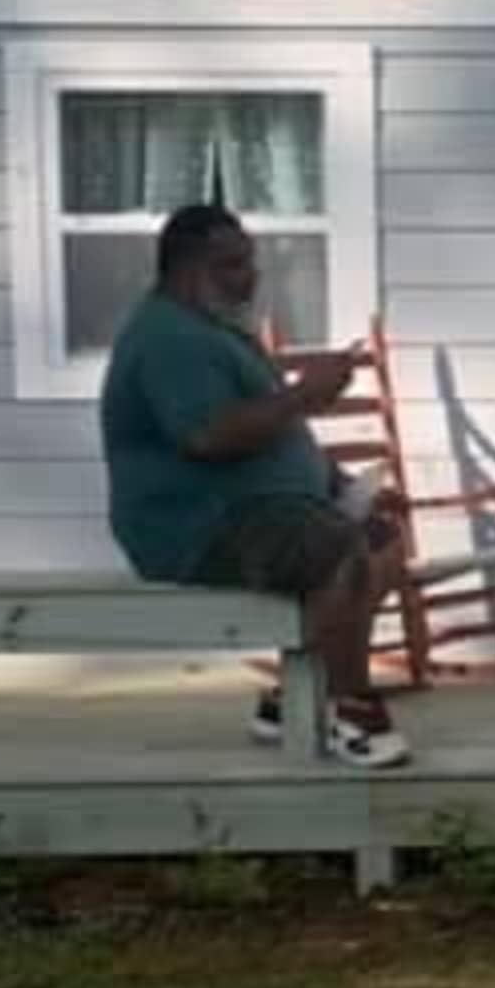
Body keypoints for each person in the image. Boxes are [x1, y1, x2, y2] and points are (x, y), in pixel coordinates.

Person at [98, 204, 416, 768]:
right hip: (198, 526)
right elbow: (208, 437)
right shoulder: (168, 338)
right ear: (189, 270)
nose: (252, 275)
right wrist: (307, 392)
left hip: (262, 512)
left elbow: (275, 431)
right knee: (339, 548)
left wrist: (342, 487)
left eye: (250, 262)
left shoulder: (216, 331)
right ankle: (349, 710)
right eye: (234, 265)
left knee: (382, 536)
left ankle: (290, 698)